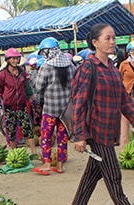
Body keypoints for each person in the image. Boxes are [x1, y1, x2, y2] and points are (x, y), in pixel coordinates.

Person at [70, 23, 134, 205]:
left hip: (109, 129)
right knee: (113, 174)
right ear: (95, 42)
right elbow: (78, 103)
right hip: (95, 130)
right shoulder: (88, 68)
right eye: (107, 38)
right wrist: (79, 136)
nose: (112, 42)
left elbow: (124, 99)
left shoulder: (113, 70)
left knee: (93, 171)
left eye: (114, 38)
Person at [34, 37, 76, 174]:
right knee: (62, 138)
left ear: (47, 52)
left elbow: (38, 87)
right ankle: (59, 165)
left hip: (50, 110)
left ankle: (46, 163)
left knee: (46, 136)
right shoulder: (70, 65)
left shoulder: (46, 67)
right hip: (65, 111)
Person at [0, 48, 38, 155]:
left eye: (17, 58)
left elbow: (26, 87)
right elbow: (1, 90)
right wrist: (6, 99)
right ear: (7, 59)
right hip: (9, 107)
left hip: (22, 106)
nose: (15, 61)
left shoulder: (22, 73)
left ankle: (34, 153)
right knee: (11, 131)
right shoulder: (2, 74)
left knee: (27, 129)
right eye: (13, 58)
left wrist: (31, 98)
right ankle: (14, 153)